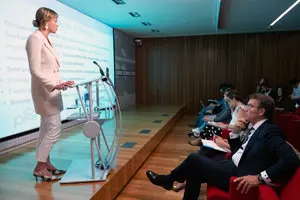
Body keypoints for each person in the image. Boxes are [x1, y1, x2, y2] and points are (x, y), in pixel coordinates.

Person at [146, 94, 299, 200]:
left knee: (194, 159)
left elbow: (291, 159)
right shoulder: (256, 127)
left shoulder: (270, 131)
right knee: (195, 168)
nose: (246, 109)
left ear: (261, 112)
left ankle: (168, 179)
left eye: (250, 106)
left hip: (239, 175)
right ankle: (171, 183)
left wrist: (260, 178)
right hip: (233, 164)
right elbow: (240, 150)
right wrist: (235, 133)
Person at [25, 7, 74, 181]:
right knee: (54, 129)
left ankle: (46, 164)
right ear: (46, 22)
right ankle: (39, 167)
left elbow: (48, 69)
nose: (57, 24)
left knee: (46, 130)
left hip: (51, 92)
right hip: (45, 93)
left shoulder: (44, 39)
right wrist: (54, 84)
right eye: (55, 20)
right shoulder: (35, 39)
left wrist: (59, 84)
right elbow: (35, 70)